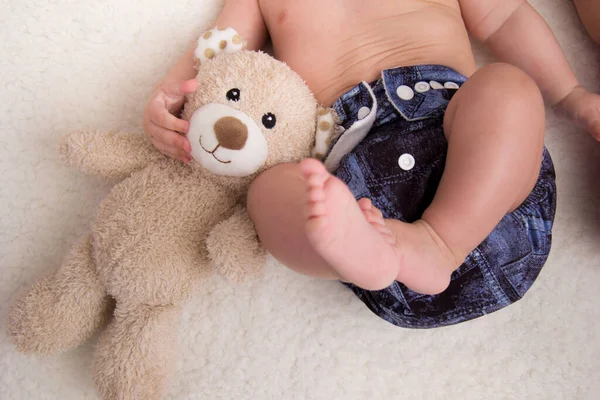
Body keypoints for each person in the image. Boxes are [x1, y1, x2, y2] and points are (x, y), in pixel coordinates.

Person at [143, 0, 600, 328]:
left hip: (469, 155)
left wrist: (571, 96)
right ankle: (354, 256)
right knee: (269, 191)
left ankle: (440, 241)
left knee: (506, 87)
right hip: (359, 198)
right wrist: (168, 98)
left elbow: (506, 16)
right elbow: (220, 50)